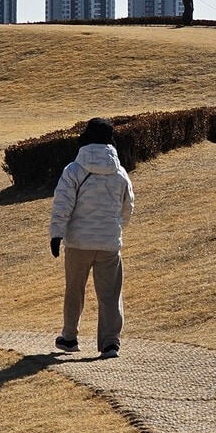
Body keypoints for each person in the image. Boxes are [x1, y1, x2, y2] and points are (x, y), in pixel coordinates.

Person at [49, 118, 134, 358]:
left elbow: (62, 205)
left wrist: (57, 234)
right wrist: (116, 229)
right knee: (110, 294)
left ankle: (69, 337)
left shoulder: (74, 170)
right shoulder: (120, 172)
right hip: (108, 244)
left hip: (78, 243)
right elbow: (127, 207)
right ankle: (110, 343)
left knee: (74, 291)